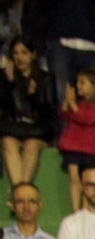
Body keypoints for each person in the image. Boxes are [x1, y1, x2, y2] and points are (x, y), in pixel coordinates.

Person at [0, 36, 58, 184]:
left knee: (31, 144)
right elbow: (4, 105)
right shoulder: (5, 77)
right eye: (16, 53)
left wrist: (34, 96)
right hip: (13, 128)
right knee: (7, 142)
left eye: (24, 52)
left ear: (33, 54)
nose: (19, 57)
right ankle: (22, 193)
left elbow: (51, 111)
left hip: (37, 129)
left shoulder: (45, 78)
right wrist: (11, 83)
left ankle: (20, 192)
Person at [59, 69, 95, 212]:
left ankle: (87, 208)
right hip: (73, 147)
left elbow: (86, 118)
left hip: (90, 149)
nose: (78, 86)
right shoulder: (77, 103)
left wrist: (72, 104)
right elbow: (63, 113)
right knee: (74, 179)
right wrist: (67, 101)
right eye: (77, 83)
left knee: (88, 179)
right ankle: (76, 209)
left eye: (83, 83)